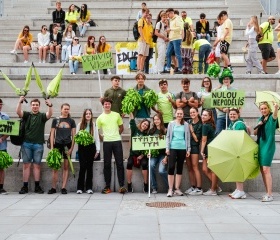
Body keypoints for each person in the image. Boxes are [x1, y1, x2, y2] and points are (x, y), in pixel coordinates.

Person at [16, 96, 53, 194]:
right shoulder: (27, 115)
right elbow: (18, 112)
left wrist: (50, 105)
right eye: (33, 105)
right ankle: (25, 186)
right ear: (31, 106)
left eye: (36, 105)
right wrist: (20, 102)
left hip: (38, 144)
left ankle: (37, 186)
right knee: (26, 165)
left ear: (39, 106)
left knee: (37, 165)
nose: (35, 107)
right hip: (26, 144)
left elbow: (49, 115)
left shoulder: (41, 116)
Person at [96, 97, 126, 194]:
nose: (107, 105)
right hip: (107, 143)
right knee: (107, 164)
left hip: (117, 141)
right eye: (105, 104)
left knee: (120, 163)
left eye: (109, 104)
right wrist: (102, 138)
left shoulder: (116, 115)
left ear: (111, 105)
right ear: (103, 105)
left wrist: (116, 135)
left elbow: (121, 127)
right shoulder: (100, 117)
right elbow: (97, 131)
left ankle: (121, 186)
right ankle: (107, 186)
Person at [48, 103, 76, 195]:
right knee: (55, 167)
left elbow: (74, 135)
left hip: (67, 145)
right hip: (57, 144)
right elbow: (52, 134)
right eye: (65, 109)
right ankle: (53, 187)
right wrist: (52, 147)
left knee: (66, 167)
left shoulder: (71, 121)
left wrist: (71, 148)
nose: (66, 110)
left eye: (68, 109)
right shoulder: (56, 120)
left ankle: (63, 187)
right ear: (61, 109)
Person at [254, 101, 278, 202]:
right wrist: (259, 125)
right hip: (260, 145)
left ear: (269, 109)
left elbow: (275, 115)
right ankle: (267, 192)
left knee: (266, 170)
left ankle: (269, 194)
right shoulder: (261, 119)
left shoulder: (272, 117)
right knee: (262, 170)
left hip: (268, 146)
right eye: (262, 109)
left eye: (265, 108)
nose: (263, 110)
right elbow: (255, 132)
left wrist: (276, 107)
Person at [166, 108, 191, 197]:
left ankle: (177, 188)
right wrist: (167, 148)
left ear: (183, 115)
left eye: (181, 114)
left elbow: (188, 137)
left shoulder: (186, 124)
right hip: (173, 147)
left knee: (180, 167)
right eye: (178, 113)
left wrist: (188, 149)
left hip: (182, 148)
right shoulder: (171, 124)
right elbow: (168, 136)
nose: (179, 115)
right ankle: (170, 189)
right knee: (171, 167)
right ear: (175, 114)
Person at [76, 109, 100, 194]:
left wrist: (97, 150)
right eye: (87, 114)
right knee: (82, 167)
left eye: (89, 114)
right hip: (82, 147)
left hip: (91, 147)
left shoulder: (94, 125)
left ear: (91, 115)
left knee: (90, 168)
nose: (88, 115)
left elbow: (97, 138)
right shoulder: (80, 125)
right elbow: (76, 136)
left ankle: (89, 187)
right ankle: (80, 188)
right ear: (84, 115)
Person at [228, 108, 248, 199]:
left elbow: (238, 138)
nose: (232, 116)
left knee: (238, 169)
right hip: (235, 149)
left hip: (239, 149)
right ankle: (238, 189)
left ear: (238, 115)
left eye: (234, 114)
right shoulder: (233, 123)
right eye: (230, 114)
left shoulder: (239, 124)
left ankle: (241, 190)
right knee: (236, 169)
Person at [126, 114, 150, 193]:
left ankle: (145, 184)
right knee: (129, 164)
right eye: (144, 123)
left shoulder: (146, 135)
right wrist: (131, 112)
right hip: (133, 154)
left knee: (144, 164)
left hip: (142, 155)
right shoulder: (135, 130)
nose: (145, 125)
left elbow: (147, 146)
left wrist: (142, 155)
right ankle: (129, 184)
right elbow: (132, 121)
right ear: (141, 123)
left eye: (147, 125)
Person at [185, 107, 203, 195]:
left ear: (197, 112)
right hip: (187, 146)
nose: (192, 114)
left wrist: (191, 130)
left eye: (193, 112)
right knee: (189, 168)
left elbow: (197, 140)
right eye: (191, 112)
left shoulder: (200, 124)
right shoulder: (188, 122)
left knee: (195, 167)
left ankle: (199, 188)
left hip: (195, 147)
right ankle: (193, 186)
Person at [148, 114, 168, 193]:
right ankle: (154, 187)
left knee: (161, 171)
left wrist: (166, 157)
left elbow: (168, 144)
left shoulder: (165, 130)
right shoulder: (151, 131)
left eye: (158, 119)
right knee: (150, 165)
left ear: (161, 120)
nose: (156, 121)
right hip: (153, 154)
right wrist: (148, 153)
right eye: (155, 119)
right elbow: (148, 143)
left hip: (163, 155)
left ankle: (169, 187)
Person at [200, 109, 218, 196]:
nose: (203, 116)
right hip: (211, 147)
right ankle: (216, 186)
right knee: (204, 169)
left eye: (205, 115)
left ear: (210, 117)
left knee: (212, 169)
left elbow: (204, 140)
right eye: (202, 115)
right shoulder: (209, 124)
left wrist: (201, 150)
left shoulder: (206, 126)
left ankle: (213, 189)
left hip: (209, 148)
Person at [215, 69, 237, 135]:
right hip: (221, 116)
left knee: (231, 134)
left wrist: (230, 109)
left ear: (230, 80)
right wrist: (222, 109)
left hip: (231, 116)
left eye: (227, 79)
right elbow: (216, 103)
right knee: (218, 133)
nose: (226, 80)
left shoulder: (235, 91)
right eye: (224, 79)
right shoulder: (218, 91)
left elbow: (237, 104)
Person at [164, 8, 183, 74]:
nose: (167, 16)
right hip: (171, 39)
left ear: (171, 13)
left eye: (168, 14)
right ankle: (168, 68)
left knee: (178, 54)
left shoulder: (177, 18)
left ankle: (180, 68)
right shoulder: (171, 20)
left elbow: (179, 28)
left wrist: (170, 29)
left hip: (177, 38)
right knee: (168, 53)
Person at [0, 99, 9, 195]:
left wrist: (2, 138)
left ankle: (1, 187)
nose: (0, 106)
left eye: (0, 104)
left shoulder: (5, 117)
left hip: (2, 145)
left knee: (2, 167)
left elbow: (10, 131)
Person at [137, 7, 150, 73]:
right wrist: (143, 38)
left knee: (144, 56)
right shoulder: (141, 20)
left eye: (148, 13)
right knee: (140, 55)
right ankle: (139, 69)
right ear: (142, 13)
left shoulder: (146, 21)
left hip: (147, 41)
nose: (147, 15)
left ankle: (141, 69)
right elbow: (140, 29)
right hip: (142, 40)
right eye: (146, 13)